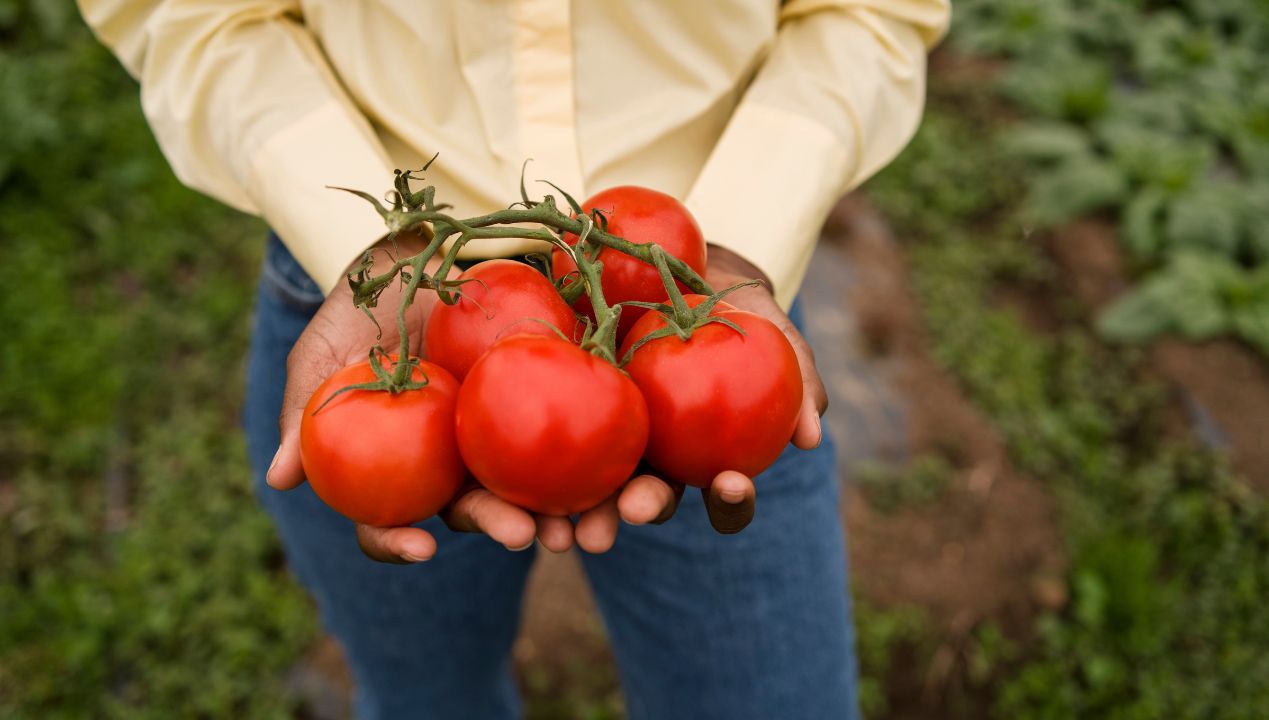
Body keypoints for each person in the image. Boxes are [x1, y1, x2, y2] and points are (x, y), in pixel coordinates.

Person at [79, 1, 949, 718]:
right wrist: (369, 245)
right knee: (426, 702)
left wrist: (744, 241)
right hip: (384, 317)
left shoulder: (705, 321)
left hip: (695, 297)